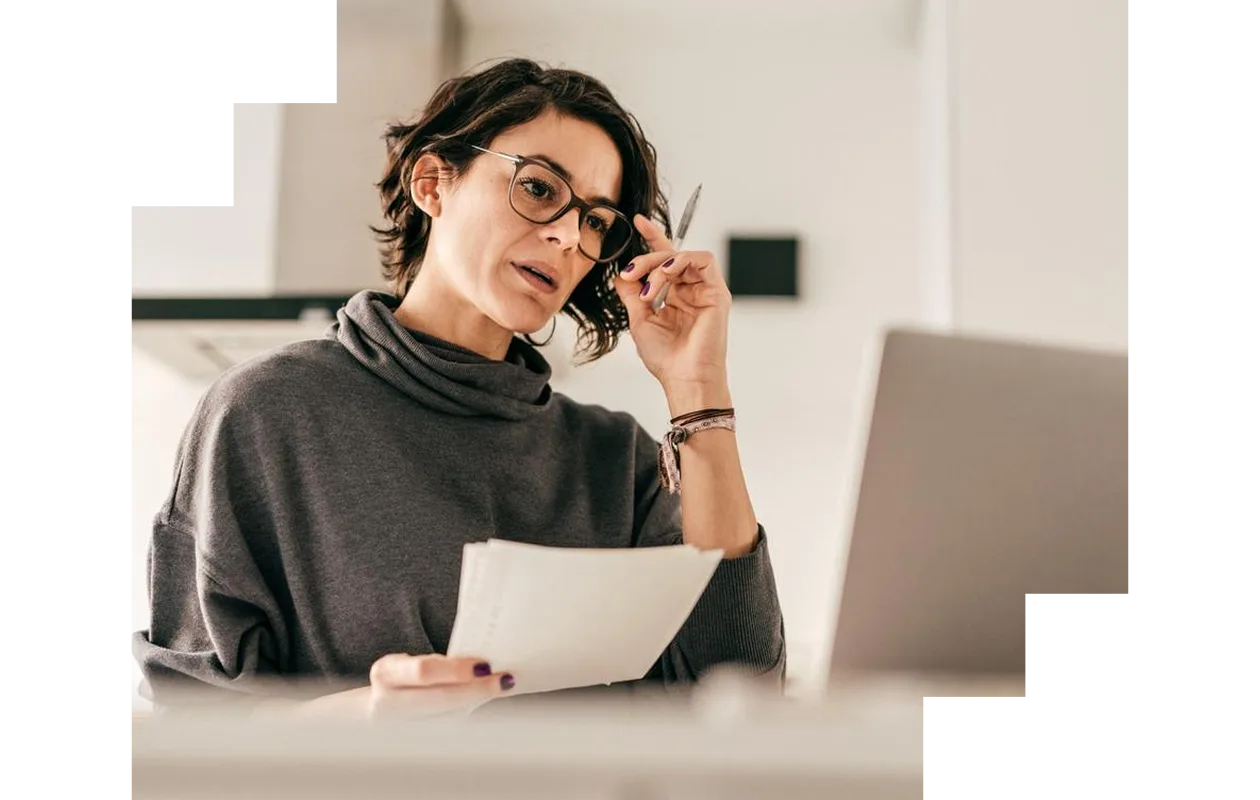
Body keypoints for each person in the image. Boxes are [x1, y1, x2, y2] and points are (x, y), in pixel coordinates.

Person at [130, 57, 786, 719]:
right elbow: (193, 725)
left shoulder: (617, 460)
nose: (565, 235)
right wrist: (368, 715)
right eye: (538, 188)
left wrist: (697, 387)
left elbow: (740, 692)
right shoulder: (268, 413)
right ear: (433, 182)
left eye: (595, 222)